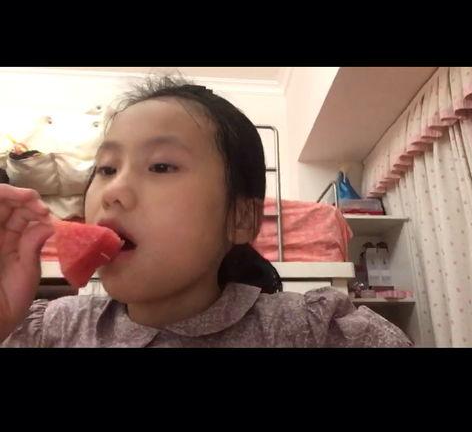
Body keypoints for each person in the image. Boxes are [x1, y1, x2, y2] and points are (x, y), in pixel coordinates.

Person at [0, 76, 412, 348]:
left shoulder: (307, 330)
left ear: (240, 219)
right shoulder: (52, 329)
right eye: (106, 169)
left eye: (161, 166)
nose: (113, 192)